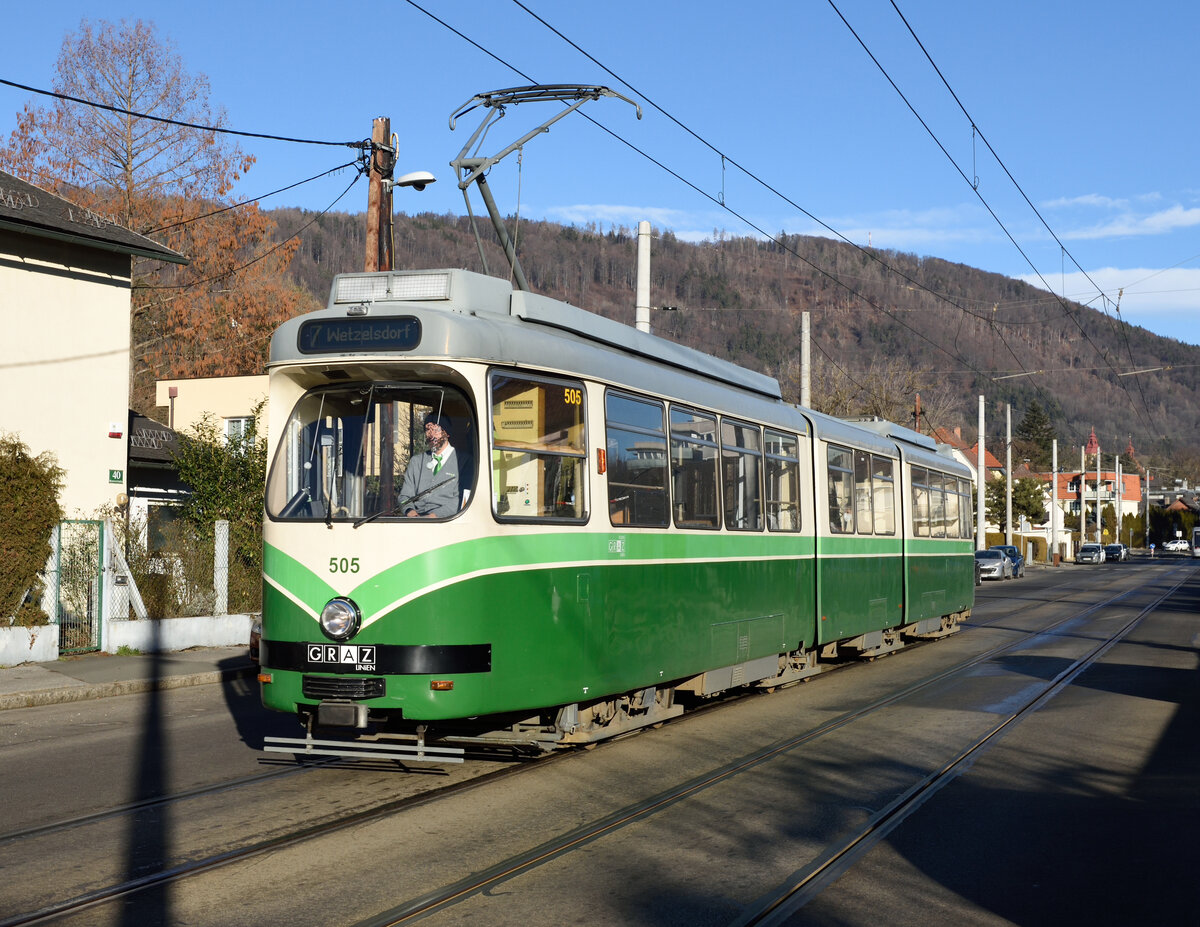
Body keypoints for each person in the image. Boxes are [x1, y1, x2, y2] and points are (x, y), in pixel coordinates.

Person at [400, 412, 461, 517]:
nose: (431, 434)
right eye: (428, 429)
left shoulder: (463, 461)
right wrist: (411, 513)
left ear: (447, 433)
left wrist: (432, 517)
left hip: (448, 523)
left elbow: (461, 499)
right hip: (416, 523)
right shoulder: (416, 461)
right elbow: (404, 496)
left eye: (436, 429)